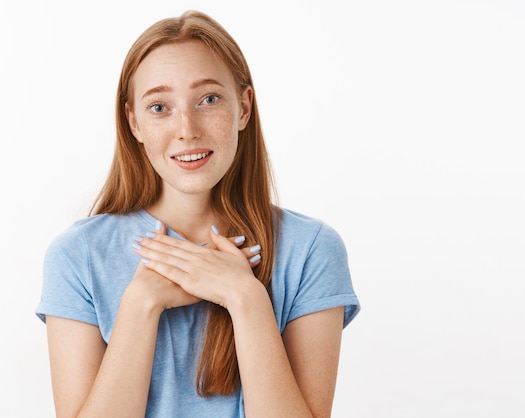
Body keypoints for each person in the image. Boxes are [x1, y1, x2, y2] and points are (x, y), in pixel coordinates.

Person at [35, 10, 360, 417]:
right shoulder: (78, 255)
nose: (187, 128)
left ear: (243, 107)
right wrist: (140, 304)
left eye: (208, 99)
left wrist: (246, 298)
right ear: (133, 122)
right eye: (159, 107)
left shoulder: (310, 250)